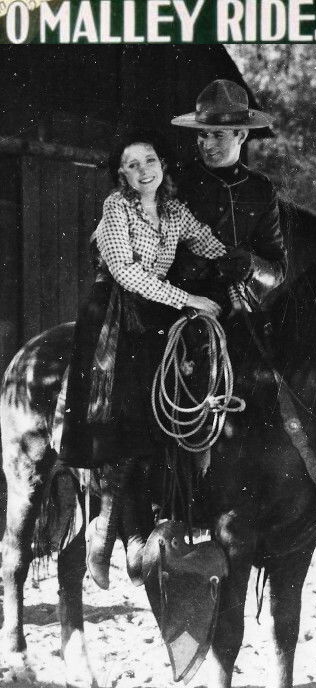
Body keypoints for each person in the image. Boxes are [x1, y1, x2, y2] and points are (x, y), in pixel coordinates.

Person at [60, 130, 232, 590]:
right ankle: (104, 529)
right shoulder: (117, 207)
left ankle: (153, 528)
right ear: (122, 174)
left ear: (163, 165)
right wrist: (188, 299)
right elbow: (126, 272)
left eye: (149, 160)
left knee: (172, 403)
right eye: (132, 164)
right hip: (113, 315)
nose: (143, 170)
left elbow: (209, 244)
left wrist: (241, 264)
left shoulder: (174, 211)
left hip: (153, 312)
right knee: (129, 414)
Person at [171, 79, 287, 308]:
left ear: (241, 136)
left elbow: (278, 270)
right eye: (202, 134)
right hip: (178, 304)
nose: (207, 145)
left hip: (236, 309)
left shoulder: (261, 190)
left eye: (218, 135)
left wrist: (252, 266)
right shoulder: (176, 182)